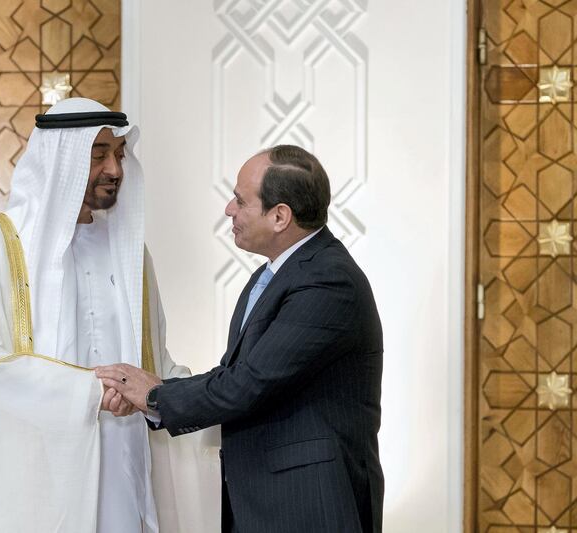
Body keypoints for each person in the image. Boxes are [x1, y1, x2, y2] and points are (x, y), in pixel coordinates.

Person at [0, 97, 218, 532]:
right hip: (37, 482)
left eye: (119, 155)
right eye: (98, 156)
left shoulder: (131, 255)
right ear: (62, 161)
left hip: (125, 474)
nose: (115, 170)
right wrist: (94, 392)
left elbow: (157, 366)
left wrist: (221, 396)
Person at [97, 145, 384, 533]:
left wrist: (154, 396)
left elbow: (250, 383)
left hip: (309, 503)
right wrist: (153, 397)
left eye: (239, 200)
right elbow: (237, 374)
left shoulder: (328, 281)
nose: (229, 211)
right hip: (264, 501)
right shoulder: (274, 276)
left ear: (280, 216)